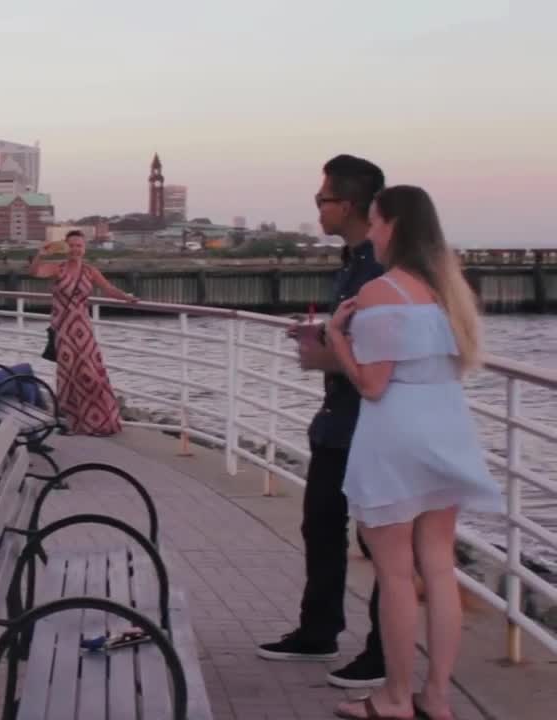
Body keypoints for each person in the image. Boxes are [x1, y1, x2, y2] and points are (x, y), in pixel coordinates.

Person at [326, 186, 500, 720]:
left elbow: (373, 385)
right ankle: (438, 696)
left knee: (396, 574)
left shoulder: (381, 293)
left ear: (394, 226)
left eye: (376, 223)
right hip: (447, 434)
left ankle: (396, 698)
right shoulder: (450, 291)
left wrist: (337, 337)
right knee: (439, 568)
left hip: (396, 437)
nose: (372, 233)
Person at [257, 155, 388, 689]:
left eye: (322, 201)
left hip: (370, 424)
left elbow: (381, 354)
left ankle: (382, 651)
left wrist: (322, 351)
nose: (317, 210)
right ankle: (319, 631)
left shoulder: (379, 266)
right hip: (337, 421)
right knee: (321, 526)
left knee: (380, 539)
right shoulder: (352, 260)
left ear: (348, 204)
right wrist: (322, 336)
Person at [28, 230, 136, 436]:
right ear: (66, 247)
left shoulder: (90, 271)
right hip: (64, 330)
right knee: (68, 377)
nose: (76, 249)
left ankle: (100, 421)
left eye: (79, 245)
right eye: (72, 245)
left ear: (84, 248)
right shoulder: (58, 269)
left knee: (91, 375)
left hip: (84, 331)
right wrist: (40, 253)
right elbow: (34, 272)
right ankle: (73, 423)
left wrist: (127, 298)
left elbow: (109, 289)